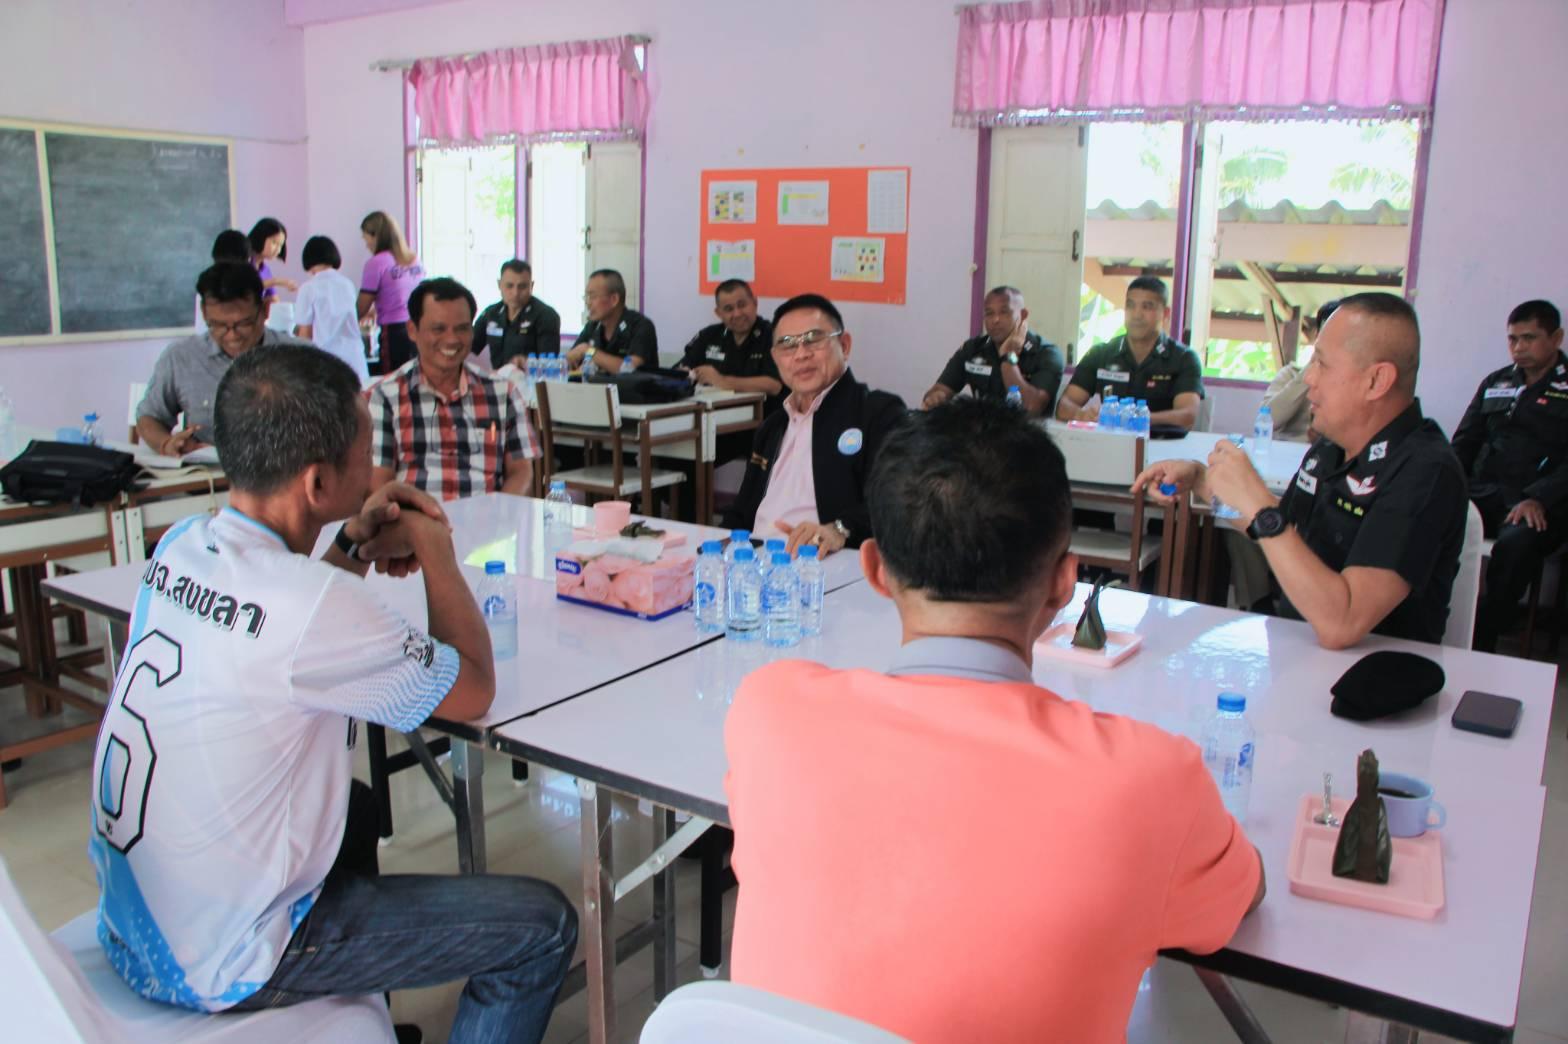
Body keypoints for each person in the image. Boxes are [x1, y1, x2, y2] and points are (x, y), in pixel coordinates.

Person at [725, 398, 1264, 1041]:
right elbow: (1241, 897)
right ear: (1065, 583)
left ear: (874, 570)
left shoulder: (772, 712)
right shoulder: (1149, 778)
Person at [91, 344, 576, 1042]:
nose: (377, 468)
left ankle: (363, 1015)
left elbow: (292, 627)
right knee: (542, 927)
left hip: (137, 920)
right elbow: (472, 688)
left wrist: (349, 543)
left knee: (356, 806)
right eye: (365, 452)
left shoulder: (183, 544)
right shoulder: (313, 605)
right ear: (318, 481)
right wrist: (435, 550)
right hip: (221, 958)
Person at [1134, 292, 1468, 649]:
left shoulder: (1425, 471)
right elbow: (1284, 531)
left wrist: (1259, 502)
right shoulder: (1331, 447)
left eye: (1322, 364)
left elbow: (1342, 623)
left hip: (1375, 672)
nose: (1309, 378)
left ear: (1376, 381)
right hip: (1297, 648)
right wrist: (1202, 480)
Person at [722, 293, 907, 557]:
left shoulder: (878, 413)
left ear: (844, 345)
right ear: (775, 358)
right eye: (787, 344)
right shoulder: (773, 426)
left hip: (828, 563)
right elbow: (742, 513)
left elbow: (899, 500)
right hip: (759, 563)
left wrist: (839, 529)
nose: (801, 354)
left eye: (813, 339)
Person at [1452, 299, 1568, 652]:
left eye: (1529, 338)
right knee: (1424, 517)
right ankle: (1432, 620)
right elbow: (1464, 442)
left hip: (1538, 503)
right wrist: (1447, 487)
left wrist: (1538, 497)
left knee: (1517, 545)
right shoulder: (1496, 381)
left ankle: (1484, 636)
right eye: (1513, 339)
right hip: (1484, 493)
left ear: (1556, 338)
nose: (1518, 348)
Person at [368, 277, 539, 500]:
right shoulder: (385, 396)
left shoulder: (502, 393)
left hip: (487, 518)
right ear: (412, 330)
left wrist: (500, 513)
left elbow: (522, 472)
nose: (451, 340)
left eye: (462, 329)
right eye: (438, 329)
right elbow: (379, 485)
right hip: (412, 519)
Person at [138, 262, 311, 456]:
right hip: (207, 473)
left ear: (265, 310)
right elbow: (149, 416)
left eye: (243, 324)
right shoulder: (182, 357)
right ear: (204, 313)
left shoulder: (302, 358)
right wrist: (166, 444)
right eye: (218, 325)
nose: (232, 336)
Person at [1057, 276, 1205, 430]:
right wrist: (1082, 415)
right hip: (1110, 440)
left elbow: (1187, 416)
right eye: (1130, 305)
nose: (1136, 315)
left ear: (1165, 314)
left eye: (1147, 307)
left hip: (1162, 440)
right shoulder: (1100, 354)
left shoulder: (1184, 358)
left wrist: (1132, 419)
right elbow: (1064, 406)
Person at [921, 286, 1063, 415]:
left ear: (1023, 315)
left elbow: (1031, 408)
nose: (995, 320)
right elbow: (939, 390)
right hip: (983, 432)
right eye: (989, 313)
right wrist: (936, 398)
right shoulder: (973, 349)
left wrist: (1008, 358)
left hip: (1026, 433)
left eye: (1004, 312)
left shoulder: (1047, 354)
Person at [678, 279, 782, 400]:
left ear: (755, 303)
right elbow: (682, 367)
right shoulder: (708, 335)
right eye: (729, 309)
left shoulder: (773, 334)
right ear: (718, 313)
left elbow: (774, 385)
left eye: (742, 305)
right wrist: (684, 373)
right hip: (711, 409)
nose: (737, 314)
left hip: (762, 411)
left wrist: (721, 380)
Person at [293, 235, 370, 385]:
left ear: (308, 260)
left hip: (327, 362)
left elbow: (305, 335)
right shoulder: (347, 284)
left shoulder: (308, 289)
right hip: (355, 360)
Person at [1261, 299, 1340, 442]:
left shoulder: (1351, 382)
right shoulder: (1290, 374)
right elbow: (1268, 420)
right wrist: (1311, 368)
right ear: (1317, 336)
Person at [358, 210, 426, 374]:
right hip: (419, 327)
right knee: (417, 378)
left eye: (366, 237)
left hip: (395, 332)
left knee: (394, 380)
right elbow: (404, 295)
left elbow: (361, 308)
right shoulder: (414, 260)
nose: (366, 243)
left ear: (375, 236)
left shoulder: (376, 263)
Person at [471, 259, 562, 371]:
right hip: (496, 378)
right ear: (499, 285)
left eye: (522, 287)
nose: (515, 293)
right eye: (509, 286)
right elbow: (469, 347)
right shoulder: (491, 314)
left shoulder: (546, 316)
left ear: (531, 286)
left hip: (529, 379)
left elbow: (549, 363)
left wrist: (527, 362)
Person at [565, 269, 657, 373]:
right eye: (587, 297)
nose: (588, 303)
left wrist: (589, 351)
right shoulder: (592, 326)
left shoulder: (640, 326)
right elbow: (571, 358)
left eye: (593, 296)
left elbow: (629, 369)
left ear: (614, 299)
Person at [247, 216, 297, 301]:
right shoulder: (243, 261)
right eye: (274, 242)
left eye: (280, 245)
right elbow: (248, 287)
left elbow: (273, 299)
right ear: (261, 237)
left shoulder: (265, 270)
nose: (278, 250)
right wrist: (277, 281)